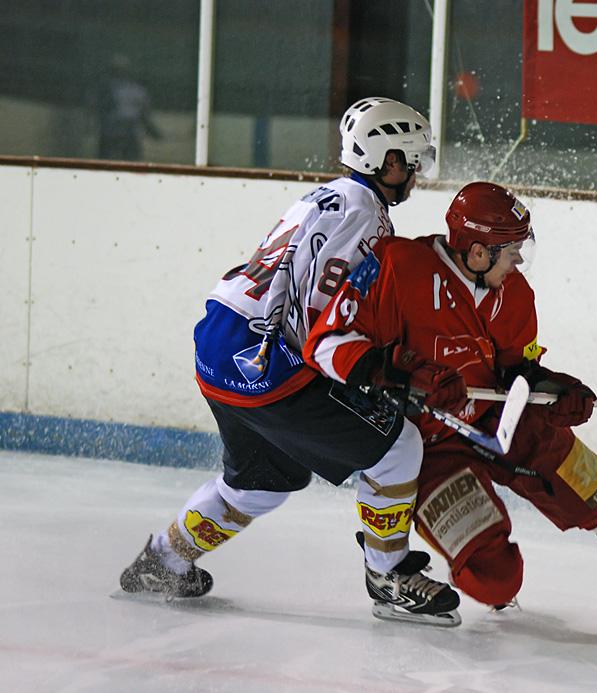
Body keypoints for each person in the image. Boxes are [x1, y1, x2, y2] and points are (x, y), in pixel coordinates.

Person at [302, 181, 597, 621]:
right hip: (430, 447)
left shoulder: (514, 293)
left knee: (592, 493)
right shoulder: (398, 266)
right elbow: (324, 343)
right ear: (478, 252)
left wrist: (553, 390)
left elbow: (518, 369)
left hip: (502, 417)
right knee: (496, 580)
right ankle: (386, 544)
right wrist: (399, 372)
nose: (519, 259)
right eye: (511, 250)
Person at [119, 97, 462, 627]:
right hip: (264, 360)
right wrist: (369, 370)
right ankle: (389, 577)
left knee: (261, 482)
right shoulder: (363, 215)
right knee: (397, 448)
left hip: (218, 343)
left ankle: (161, 563)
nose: (415, 173)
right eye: (411, 161)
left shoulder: (324, 197)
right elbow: (316, 315)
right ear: (387, 160)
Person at [93, 53, 162, 161]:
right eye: (116, 70)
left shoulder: (138, 91)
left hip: (129, 135)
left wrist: (153, 131)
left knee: (131, 166)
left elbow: (144, 116)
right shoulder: (103, 90)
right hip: (110, 135)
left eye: (121, 70)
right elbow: (97, 111)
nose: (119, 73)